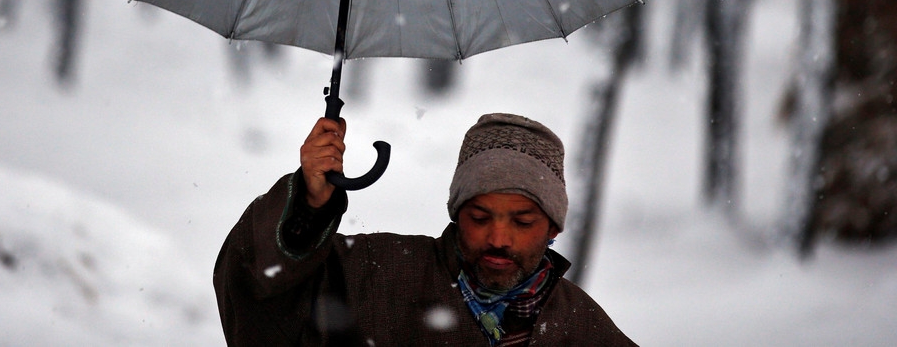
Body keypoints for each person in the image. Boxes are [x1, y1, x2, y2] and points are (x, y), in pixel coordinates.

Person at [214, 113, 637, 346]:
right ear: (455, 213)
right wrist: (310, 204)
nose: (498, 238)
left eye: (523, 222)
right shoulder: (374, 275)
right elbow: (261, 296)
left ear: (553, 230)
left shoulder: (578, 325)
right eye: (480, 216)